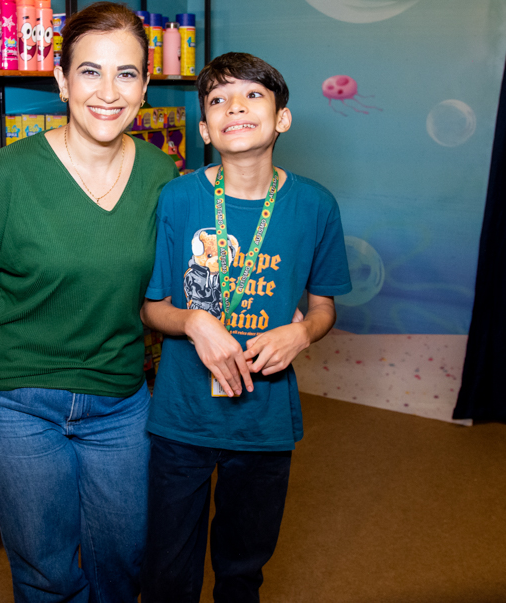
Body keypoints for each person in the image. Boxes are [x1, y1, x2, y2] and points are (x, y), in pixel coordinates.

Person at [0, 1, 179, 603]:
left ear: (146, 86)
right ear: (61, 79)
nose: (108, 92)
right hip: (11, 400)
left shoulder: (160, 173)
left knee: (124, 559)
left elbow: (166, 292)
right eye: (90, 71)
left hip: (119, 398)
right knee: (48, 571)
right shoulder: (7, 175)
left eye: (126, 74)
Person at [139, 52, 352, 603]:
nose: (235, 106)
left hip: (264, 421)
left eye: (253, 95)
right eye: (217, 100)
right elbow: (151, 307)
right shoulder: (179, 198)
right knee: (167, 567)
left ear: (282, 118)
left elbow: (324, 308)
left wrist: (302, 333)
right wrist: (193, 322)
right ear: (206, 129)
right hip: (182, 416)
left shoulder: (316, 206)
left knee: (243, 567)